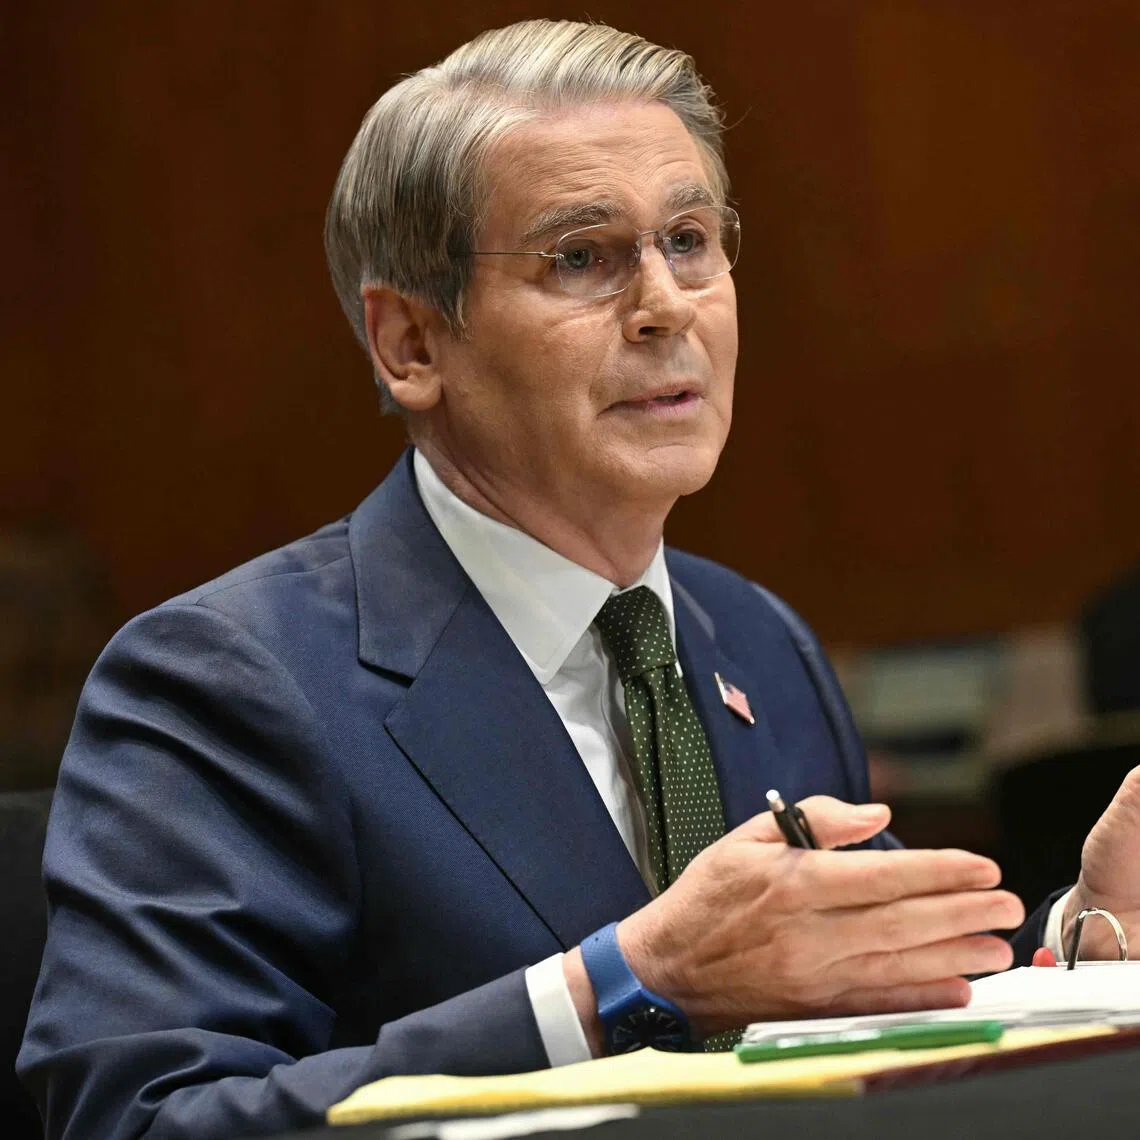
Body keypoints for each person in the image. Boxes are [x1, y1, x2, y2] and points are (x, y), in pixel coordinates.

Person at [17, 18, 1140, 1140]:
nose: (665, 306)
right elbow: (142, 1118)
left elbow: (869, 994)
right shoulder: (228, 683)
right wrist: (614, 987)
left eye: (691, 240)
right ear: (411, 343)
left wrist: (1089, 937)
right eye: (581, 258)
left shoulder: (757, 640)